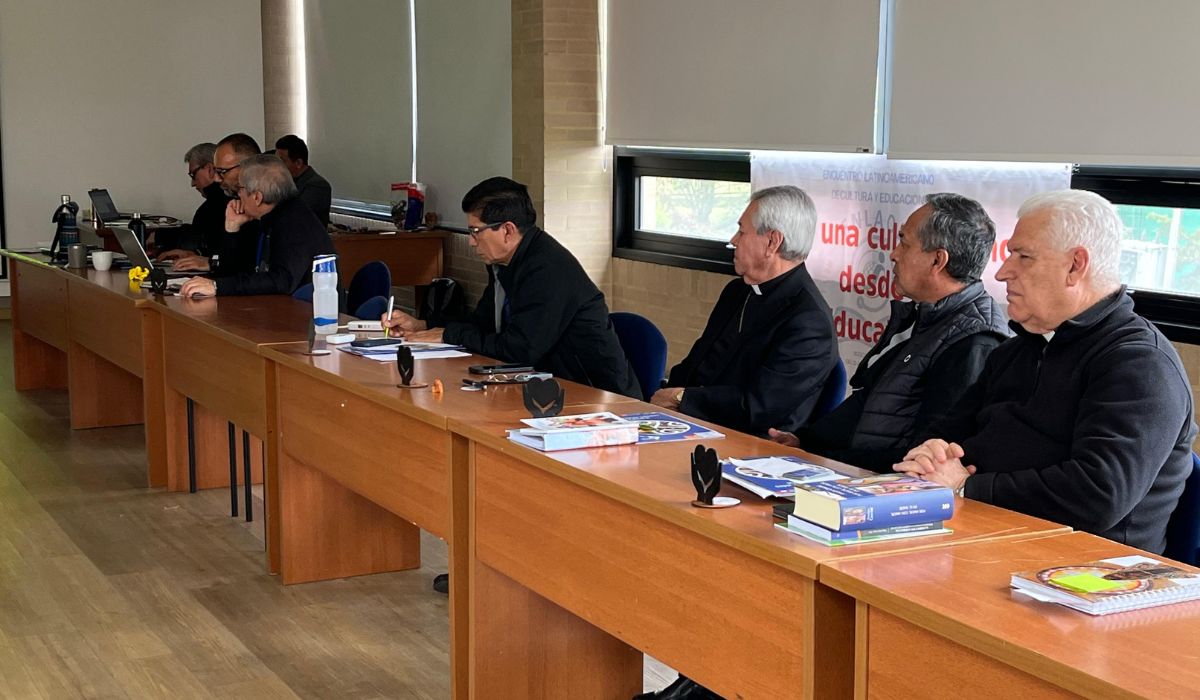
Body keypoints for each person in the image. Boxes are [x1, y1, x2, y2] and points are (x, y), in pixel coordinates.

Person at [896, 189, 1196, 554]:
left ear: (1075, 266)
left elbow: (1099, 494)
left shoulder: (1141, 365)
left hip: (1083, 567)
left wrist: (967, 486)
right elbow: (943, 434)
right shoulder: (1017, 350)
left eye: (1023, 257)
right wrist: (931, 455)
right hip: (985, 536)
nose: (1003, 272)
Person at [769, 194, 1010, 471]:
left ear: (937, 260)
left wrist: (825, 460)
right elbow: (867, 405)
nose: (893, 254)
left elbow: (925, 457)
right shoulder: (929, 318)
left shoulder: (974, 342)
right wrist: (803, 443)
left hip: (879, 484)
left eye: (904, 243)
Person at [383, 176, 640, 398]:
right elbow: (483, 323)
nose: (472, 242)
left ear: (507, 230)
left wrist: (449, 335)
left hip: (596, 397)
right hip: (543, 387)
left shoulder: (547, 270)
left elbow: (520, 350)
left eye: (475, 231)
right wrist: (423, 325)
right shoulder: (504, 263)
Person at [650, 185, 837, 437]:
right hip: (694, 423)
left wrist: (682, 398)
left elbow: (760, 407)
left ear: (772, 242)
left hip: (749, 443)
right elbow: (696, 365)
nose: (733, 240)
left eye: (741, 231)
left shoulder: (809, 321)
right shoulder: (737, 291)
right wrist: (661, 399)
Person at [179, 154, 335, 297]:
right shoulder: (269, 217)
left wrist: (217, 286)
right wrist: (232, 227)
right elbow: (233, 272)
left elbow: (281, 280)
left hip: (307, 314)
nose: (238, 194)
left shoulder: (294, 222)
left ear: (257, 197)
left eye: (240, 188)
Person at [172, 133, 264, 277]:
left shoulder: (275, 214)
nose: (216, 178)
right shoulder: (235, 205)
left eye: (222, 172)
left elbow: (256, 270)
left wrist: (213, 264)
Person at [157, 142, 232, 260]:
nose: (193, 183)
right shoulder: (213, 204)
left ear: (210, 169)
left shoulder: (217, 205)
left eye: (193, 175)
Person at [275, 134, 332, 226]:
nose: (276, 166)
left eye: (281, 162)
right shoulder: (287, 182)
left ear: (298, 163)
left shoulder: (317, 186)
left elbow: (293, 217)